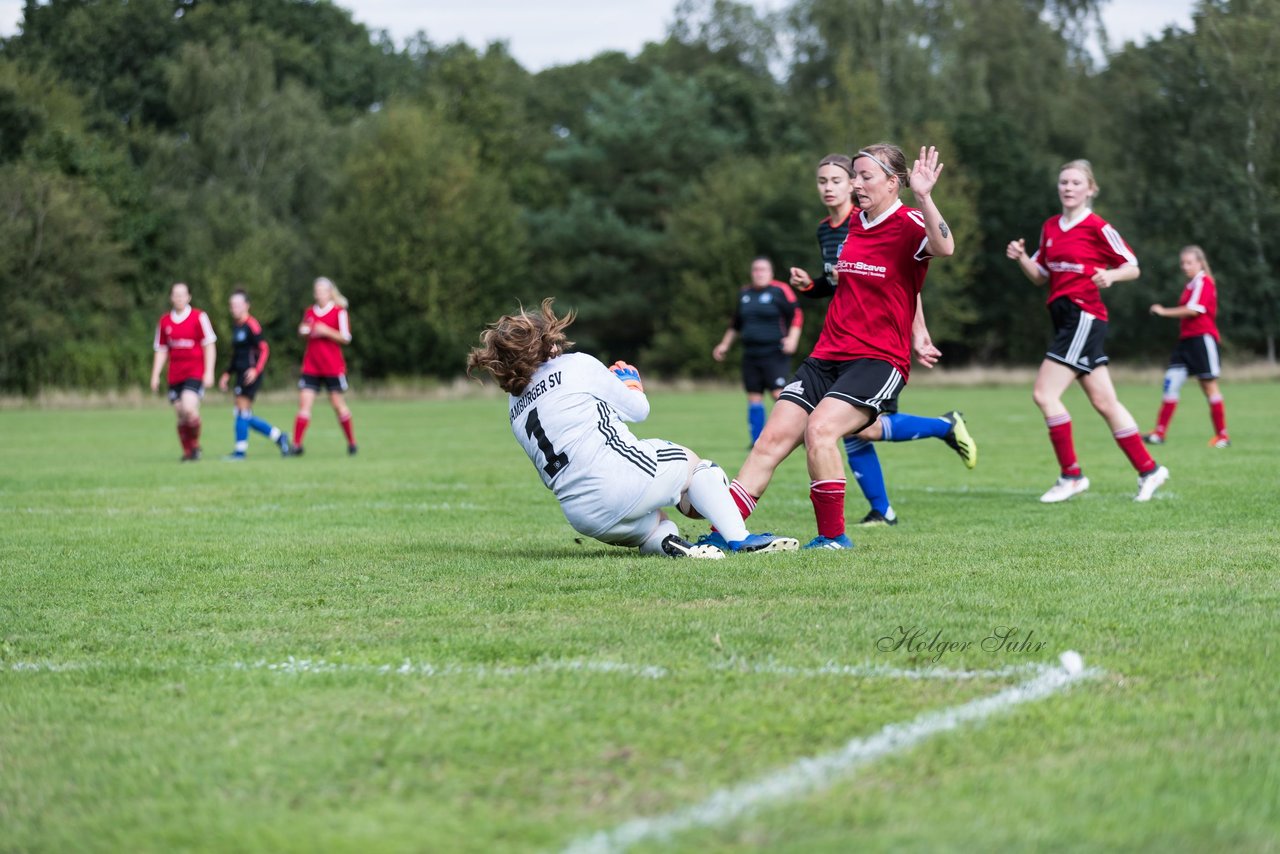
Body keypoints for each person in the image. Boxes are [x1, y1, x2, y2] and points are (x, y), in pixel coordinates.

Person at [701, 144, 955, 551]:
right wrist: (813, 285)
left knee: (821, 430)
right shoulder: (853, 224)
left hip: (878, 359)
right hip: (825, 355)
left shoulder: (909, 222)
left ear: (894, 182)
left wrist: (925, 195)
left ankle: (833, 538)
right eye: (852, 175)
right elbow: (863, 280)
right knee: (770, 441)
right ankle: (723, 534)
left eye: (864, 176)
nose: (856, 183)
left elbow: (944, 249)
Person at [466, 299, 799, 558]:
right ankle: (740, 539)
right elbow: (639, 411)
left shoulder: (515, 408)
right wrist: (630, 383)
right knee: (697, 466)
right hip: (620, 480)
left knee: (658, 525)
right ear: (545, 342)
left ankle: (671, 544)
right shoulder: (575, 364)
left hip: (585, 515)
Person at [793, 153, 977, 527]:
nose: (831, 187)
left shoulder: (884, 219)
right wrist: (811, 286)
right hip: (843, 341)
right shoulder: (831, 229)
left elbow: (904, 279)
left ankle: (943, 427)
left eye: (840, 180)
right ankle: (883, 510)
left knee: (856, 427)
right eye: (822, 181)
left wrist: (918, 330)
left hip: (876, 349)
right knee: (853, 430)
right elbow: (843, 281)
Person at [1006, 159, 1169, 503]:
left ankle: (1072, 476)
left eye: (1076, 183)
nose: (1068, 188)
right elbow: (1041, 276)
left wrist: (1111, 275)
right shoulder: (1050, 227)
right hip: (1064, 317)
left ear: (1090, 189)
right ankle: (1149, 469)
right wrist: (1022, 257)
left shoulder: (1098, 227)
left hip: (1084, 315)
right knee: (1105, 401)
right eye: (1063, 182)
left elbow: (1133, 267)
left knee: (1044, 394)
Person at [711, 256, 803, 446]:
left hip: (775, 352)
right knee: (754, 396)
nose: (759, 273)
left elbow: (796, 315)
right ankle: (757, 442)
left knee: (779, 394)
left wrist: (793, 339)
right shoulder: (745, 294)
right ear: (752, 273)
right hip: (751, 354)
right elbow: (736, 324)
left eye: (763, 270)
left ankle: (799, 433)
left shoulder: (780, 290)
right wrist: (724, 345)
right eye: (756, 270)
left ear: (771, 272)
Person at [1145, 246, 1228, 448]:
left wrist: (1164, 311)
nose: (1185, 266)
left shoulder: (1204, 281)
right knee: (1171, 382)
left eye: (1189, 262)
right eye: (1183, 263)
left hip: (1202, 340)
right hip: (1186, 342)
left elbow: (1194, 310)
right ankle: (1159, 433)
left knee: (1208, 387)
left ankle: (1222, 437)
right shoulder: (1191, 284)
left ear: (1200, 262)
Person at [217, 288, 291, 460]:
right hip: (240, 373)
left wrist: (256, 370)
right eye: (231, 305)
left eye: (237, 304)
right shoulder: (237, 326)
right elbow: (237, 355)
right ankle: (279, 437)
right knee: (243, 414)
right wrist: (227, 373)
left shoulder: (252, 325)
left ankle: (240, 452)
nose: (233, 308)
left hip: (251, 374)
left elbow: (264, 349)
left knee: (241, 411)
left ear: (247, 306)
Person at [150, 282, 217, 462]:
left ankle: (194, 444)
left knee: (189, 409)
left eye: (183, 295)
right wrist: (155, 374)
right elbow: (161, 349)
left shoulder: (199, 317)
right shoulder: (164, 321)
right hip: (175, 375)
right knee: (180, 414)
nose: (179, 298)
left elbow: (209, 345)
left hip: (194, 372)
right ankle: (189, 452)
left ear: (188, 297)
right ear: (171, 298)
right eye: (176, 295)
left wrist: (209, 371)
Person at [291, 277, 356, 456]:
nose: (319, 293)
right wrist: (304, 330)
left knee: (337, 404)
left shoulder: (339, 312)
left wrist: (325, 331)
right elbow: (304, 330)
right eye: (316, 290)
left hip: (332, 366)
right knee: (304, 404)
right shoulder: (310, 312)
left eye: (322, 290)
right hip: (312, 365)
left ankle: (351, 443)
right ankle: (296, 445)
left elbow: (346, 337)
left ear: (329, 292)